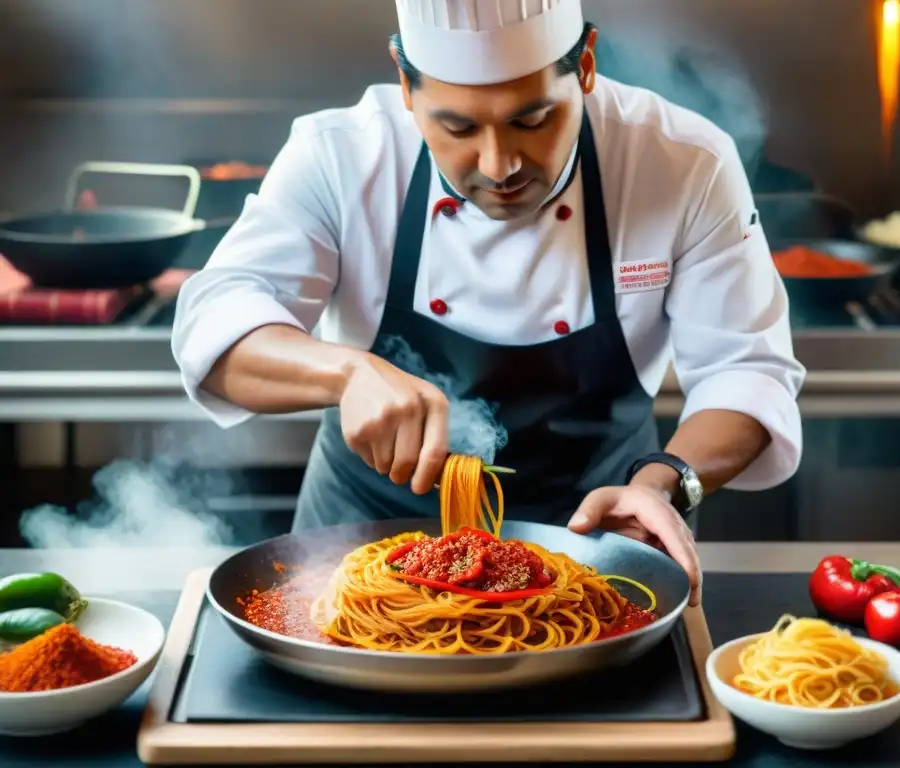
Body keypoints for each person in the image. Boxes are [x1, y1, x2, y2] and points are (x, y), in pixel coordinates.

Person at [171, 0, 805, 607]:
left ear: (585, 65)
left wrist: (663, 482)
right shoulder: (340, 155)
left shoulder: (681, 160)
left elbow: (746, 371)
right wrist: (346, 372)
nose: (500, 164)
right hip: (353, 556)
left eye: (532, 120)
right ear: (406, 85)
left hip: (597, 555)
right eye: (458, 127)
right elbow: (217, 325)